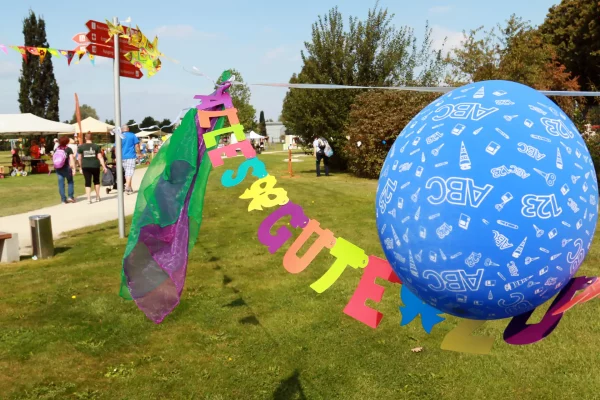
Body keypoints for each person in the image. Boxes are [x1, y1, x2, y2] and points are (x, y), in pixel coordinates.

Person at [78, 132, 108, 204]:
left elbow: (79, 158)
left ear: (85, 138)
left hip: (85, 165)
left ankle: (89, 198)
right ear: (92, 138)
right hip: (95, 165)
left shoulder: (81, 147)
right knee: (96, 181)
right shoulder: (96, 146)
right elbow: (100, 157)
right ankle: (97, 196)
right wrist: (104, 166)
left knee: (87, 182)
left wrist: (80, 167)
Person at [120, 124, 141, 194]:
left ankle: (129, 187)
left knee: (127, 172)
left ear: (122, 129)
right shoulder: (132, 135)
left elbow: (116, 147)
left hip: (122, 156)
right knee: (130, 171)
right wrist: (139, 153)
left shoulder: (120, 136)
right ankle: (127, 186)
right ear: (128, 129)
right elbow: (137, 145)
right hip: (130, 156)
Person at [55, 136, 77, 204]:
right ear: (67, 142)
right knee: (70, 181)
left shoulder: (56, 149)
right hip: (66, 167)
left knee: (61, 184)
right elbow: (71, 159)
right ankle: (70, 196)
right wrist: (74, 168)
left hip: (58, 168)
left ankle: (63, 199)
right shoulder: (68, 149)